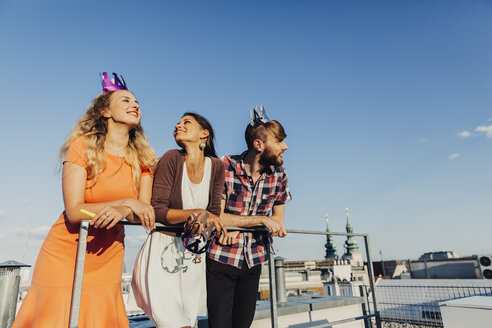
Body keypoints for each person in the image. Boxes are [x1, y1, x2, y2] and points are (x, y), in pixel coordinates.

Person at [13, 72, 157, 328]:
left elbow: (141, 212)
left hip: (108, 254)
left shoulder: (144, 159)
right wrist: (127, 202)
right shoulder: (83, 146)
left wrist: (127, 206)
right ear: (105, 111)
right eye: (125, 100)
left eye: (136, 103)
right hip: (66, 252)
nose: (134, 105)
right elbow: (74, 210)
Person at [132, 112, 226, 328]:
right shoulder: (171, 158)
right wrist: (197, 213)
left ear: (204, 134)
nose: (178, 125)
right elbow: (158, 210)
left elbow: (213, 212)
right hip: (163, 250)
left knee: (187, 322)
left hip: (193, 254)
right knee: (171, 322)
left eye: (186, 122)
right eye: (178, 122)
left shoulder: (217, 166)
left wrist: (207, 218)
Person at [206, 106, 292, 328]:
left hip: (254, 260)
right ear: (259, 145)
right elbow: (218, 216)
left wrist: (239, 224)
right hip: (221, 258)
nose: (285, 146)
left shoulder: (280, 176)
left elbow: (278, 220)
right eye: (279, 141)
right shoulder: (224, 166)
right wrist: (262, 220)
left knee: (243, 325)